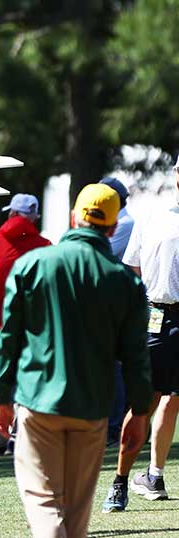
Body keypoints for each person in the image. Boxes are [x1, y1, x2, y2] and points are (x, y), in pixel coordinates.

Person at [0, 183, 152, 538]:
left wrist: (1, 395)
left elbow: (8, 339)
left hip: (38, 402)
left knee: (45, 502)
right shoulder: (125, 282)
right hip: (93, 408)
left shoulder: (33, 265)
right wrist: (141, 412)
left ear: (74, 217)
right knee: (76, 512)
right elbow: (136, 357)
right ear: (112, 229)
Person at [101, 160, 179, 512]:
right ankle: (120, 483)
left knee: (172, 399)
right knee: (144, 402)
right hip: (160, 317)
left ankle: (154, 475)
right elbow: (134, 268)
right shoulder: (154, 217)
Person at [0, 194, 50, 456]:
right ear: (33, 216)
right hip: (31, 324)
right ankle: (22, 437)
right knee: (28, 380)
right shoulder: (45, 245)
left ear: (12, 214)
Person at [100, 176, 134, 446]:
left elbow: (101, 254)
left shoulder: (124, 223)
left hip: (117, 304)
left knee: (114, 368)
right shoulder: (119, 221)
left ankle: (114, 427)